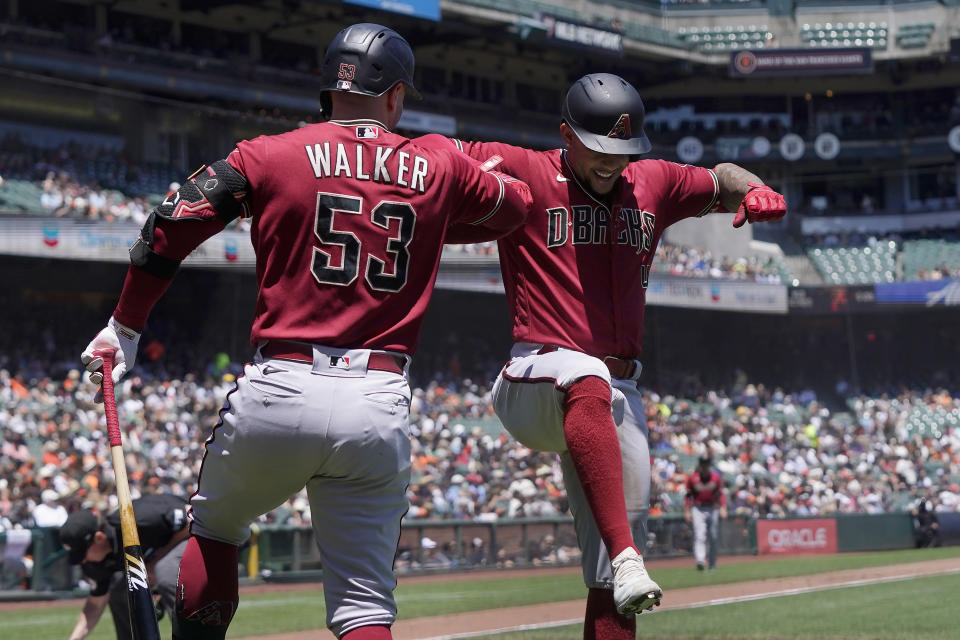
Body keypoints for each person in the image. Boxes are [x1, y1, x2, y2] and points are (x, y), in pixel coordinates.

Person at [79, 23, 531, 640]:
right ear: (396, 96)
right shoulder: (440, 161)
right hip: (377, 397)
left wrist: (124, 327)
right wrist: (428, 218)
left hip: (280, 386)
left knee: (213, 534)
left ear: (328, 89)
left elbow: (170, 223)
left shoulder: (268, 153)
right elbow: (514, 210)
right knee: (363, 606)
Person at [417, 73, 785, 640]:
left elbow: (722, 179)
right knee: (585, 375)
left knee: (616, 581)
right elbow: (437, 150)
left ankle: (623, 561)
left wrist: (755, 187)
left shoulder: (652, 181)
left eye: (624, 149)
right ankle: (627, 555)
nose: (613, 161)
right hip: (534, 376)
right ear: (567, 134)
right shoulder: (527, 168)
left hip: (619, 391)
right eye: (599, 148)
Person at [59, 494, 190, 640]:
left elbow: (191, 520)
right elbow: (95, 604)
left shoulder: (138, 517)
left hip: (191, 534)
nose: (82, 561)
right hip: (155, 556)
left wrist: (154, 563)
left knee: (164, 570)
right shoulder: (96, 562)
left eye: (83, 554)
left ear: (99, 538)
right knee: (119, 585)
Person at [684, 453, 728, 570]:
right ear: (700, 464)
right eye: (703, 463)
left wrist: (723, 507)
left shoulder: (715, 477)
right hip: (698, 508)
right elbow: (688, 495)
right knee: (700, 535)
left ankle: (712, 563)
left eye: (707, 463)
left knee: (713, 536)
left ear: (709, 464)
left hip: (713, 507)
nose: (705, 465)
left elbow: (720, 494)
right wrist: (687, 510)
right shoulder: (693, 478)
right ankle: (700, 561)